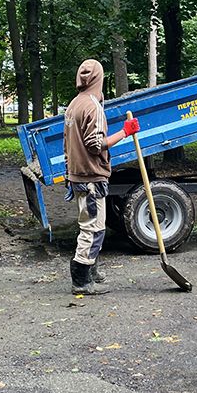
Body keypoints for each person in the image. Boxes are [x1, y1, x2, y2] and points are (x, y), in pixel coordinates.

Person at [63, 59, 139, 295]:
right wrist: (125, 132)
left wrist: (69, 173)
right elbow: (95, 145)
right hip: (91, 177)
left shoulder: (74, 104)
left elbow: (67, 144)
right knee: (93, 229)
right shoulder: (92, 106)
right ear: (99, 79)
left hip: (78, 175)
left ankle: (91, 270)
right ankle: (81, 280)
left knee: (91, 224)